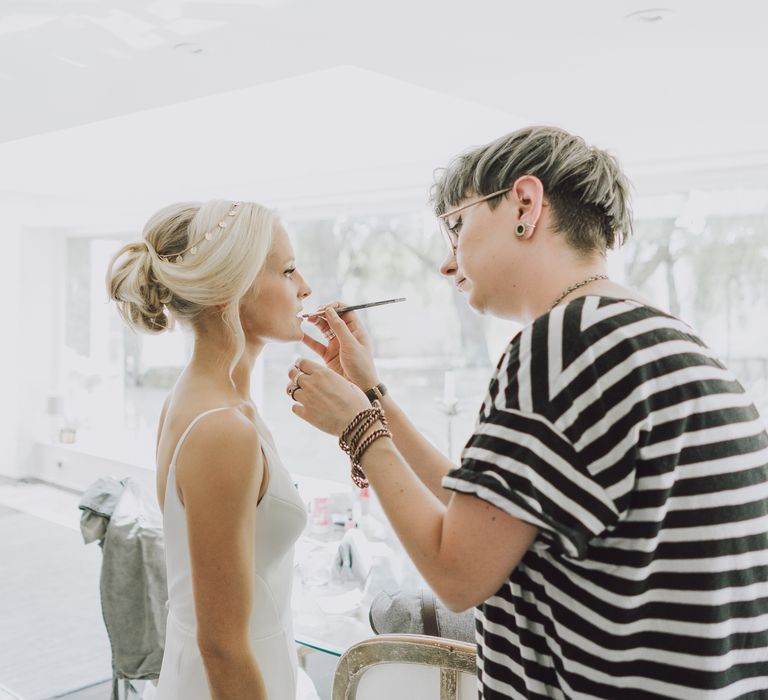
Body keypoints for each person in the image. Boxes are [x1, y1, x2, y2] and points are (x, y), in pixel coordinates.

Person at [286, 126, 768, 698]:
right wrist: (372, 393)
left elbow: (457, 572)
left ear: (525, 204)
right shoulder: (651, 335)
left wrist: (358, 429)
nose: (446, 263)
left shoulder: (562, 344)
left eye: (456, 226)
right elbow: (485, 516)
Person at [107, 200, 320, 700]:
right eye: (288, 271)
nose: (305, 287)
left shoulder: (206, 397)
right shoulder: (222, 428)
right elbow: (222, 646)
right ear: (230, 289)